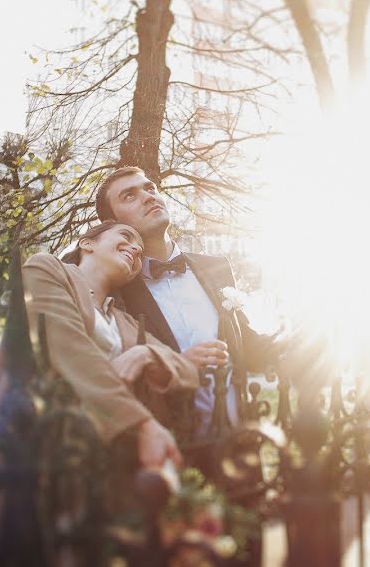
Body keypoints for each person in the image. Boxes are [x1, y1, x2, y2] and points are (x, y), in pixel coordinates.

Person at [0, 221, 200, 469]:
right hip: (41, 455)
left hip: (107, 466)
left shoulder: (124, 321)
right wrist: (142, 424)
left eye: (140, 250)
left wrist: (146, 352)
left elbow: (188, 372)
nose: (135, 249)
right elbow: (71, 351)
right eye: (125, 236)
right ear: (87, 243)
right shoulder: (47, 269)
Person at [94, 167, 278, 440]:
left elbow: (247, 346)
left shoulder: (216, 267)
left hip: (239, 446)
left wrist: (298, 343)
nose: (147, 196)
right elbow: (111, 377)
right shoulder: (115, 292)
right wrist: (175, 366)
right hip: (170, 452)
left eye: (150, 188)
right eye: (130, 196)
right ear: (113, 223)